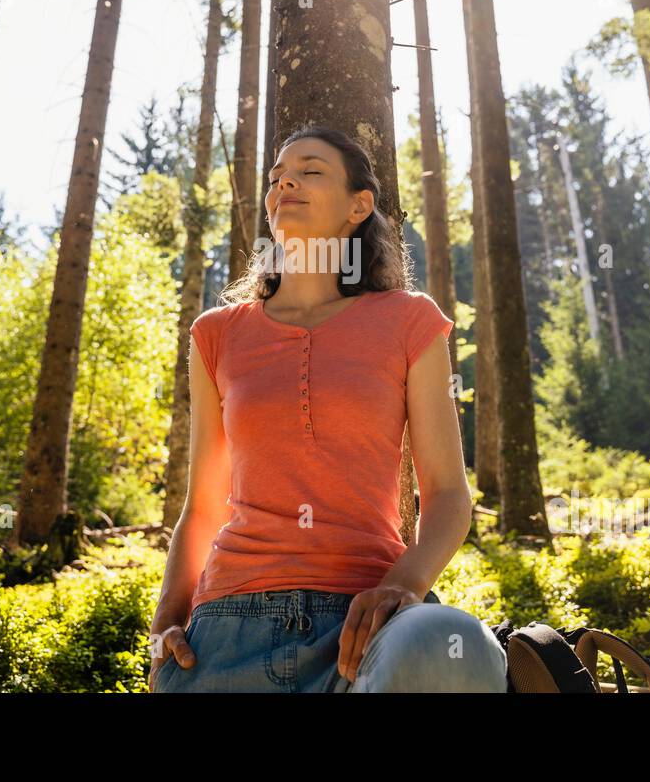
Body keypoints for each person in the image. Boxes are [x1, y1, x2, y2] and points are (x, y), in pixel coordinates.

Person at [148, 124, 507, 693]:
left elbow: (446, 494)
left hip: (369, 631)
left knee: (454, 647)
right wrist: (166, 621)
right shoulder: (216, 335)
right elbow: (203, 504)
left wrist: (406, 585)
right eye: (276, 177)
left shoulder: (409, 321)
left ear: (359, 205)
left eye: (310, 171)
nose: (284, 182)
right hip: (225, 634)